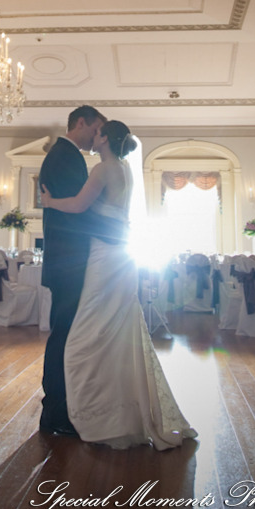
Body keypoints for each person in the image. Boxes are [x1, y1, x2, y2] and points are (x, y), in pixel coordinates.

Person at [41, 120, 197, 450]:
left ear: (105, 138)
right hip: (120, 255)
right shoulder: (125, 168)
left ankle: (96, 408)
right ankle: (120, 403)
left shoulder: (102, 169)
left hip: (102, 256)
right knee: (117, 324)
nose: (93, 136)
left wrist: (50, 202)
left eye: (98, 132)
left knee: (86, 332)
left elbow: (80, 206)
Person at [38, 105, 107, 435]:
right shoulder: (66, 156)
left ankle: (62, 409)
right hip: (69, 261)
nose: (98, 137)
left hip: (68, 259)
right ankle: (54, 413)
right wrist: (116, 233)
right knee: (64, 335)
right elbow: (79, 211)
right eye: (96, 129)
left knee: (67, 333)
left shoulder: (66, 155)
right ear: (82, 122)